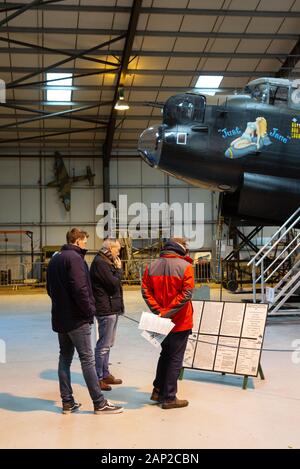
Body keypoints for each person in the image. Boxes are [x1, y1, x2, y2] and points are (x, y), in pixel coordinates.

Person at [46, 227, 123, 415]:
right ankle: (99, 403)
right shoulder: (75, 259)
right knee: (87, 360)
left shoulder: (55, 259)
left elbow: (49, 289)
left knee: (64, 358)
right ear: (78, 241)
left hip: (60, 317)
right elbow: (81, 290)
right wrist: (89, 312)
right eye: (85, 242)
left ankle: (67, 402)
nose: (86, 245)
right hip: (76, 319)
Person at [142, 237, 194, 409]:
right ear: (182, 248)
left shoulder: (151, 266)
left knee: (165, 355)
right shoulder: (185, 267)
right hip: (180, 321)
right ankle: (169, 397)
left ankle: (158, 390)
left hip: (159, 321)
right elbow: (186, 295)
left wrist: (159, 311)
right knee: (175, 359)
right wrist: (168, 312)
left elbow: (145, 291)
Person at [90, 238, 124, 391]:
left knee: (108, 344)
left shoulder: (107, 261)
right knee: (103, 345)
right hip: (105, 309)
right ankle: (98, 378)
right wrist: (118, 269)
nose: (119, 251)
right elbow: (113, 284)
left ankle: (105, 373)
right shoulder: (101, 263)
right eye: (117, 248)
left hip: (112, 307)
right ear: (110, 248)